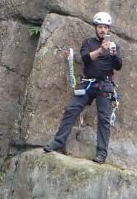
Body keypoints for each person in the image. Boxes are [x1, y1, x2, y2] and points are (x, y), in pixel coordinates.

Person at [43, 12, 122, 164]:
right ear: (95, 27)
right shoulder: (88, 43)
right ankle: (58, 143)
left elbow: (118, 66)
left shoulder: (114, 46)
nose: (103, 30)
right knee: (71, 110)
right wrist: (100, 50)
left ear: (108, 29)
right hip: (88, 83)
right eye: (100, 27)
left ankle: (101, 154)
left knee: (104, 119)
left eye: (105, 27)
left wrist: (112, 53)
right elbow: (85, 59)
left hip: (105, 85)